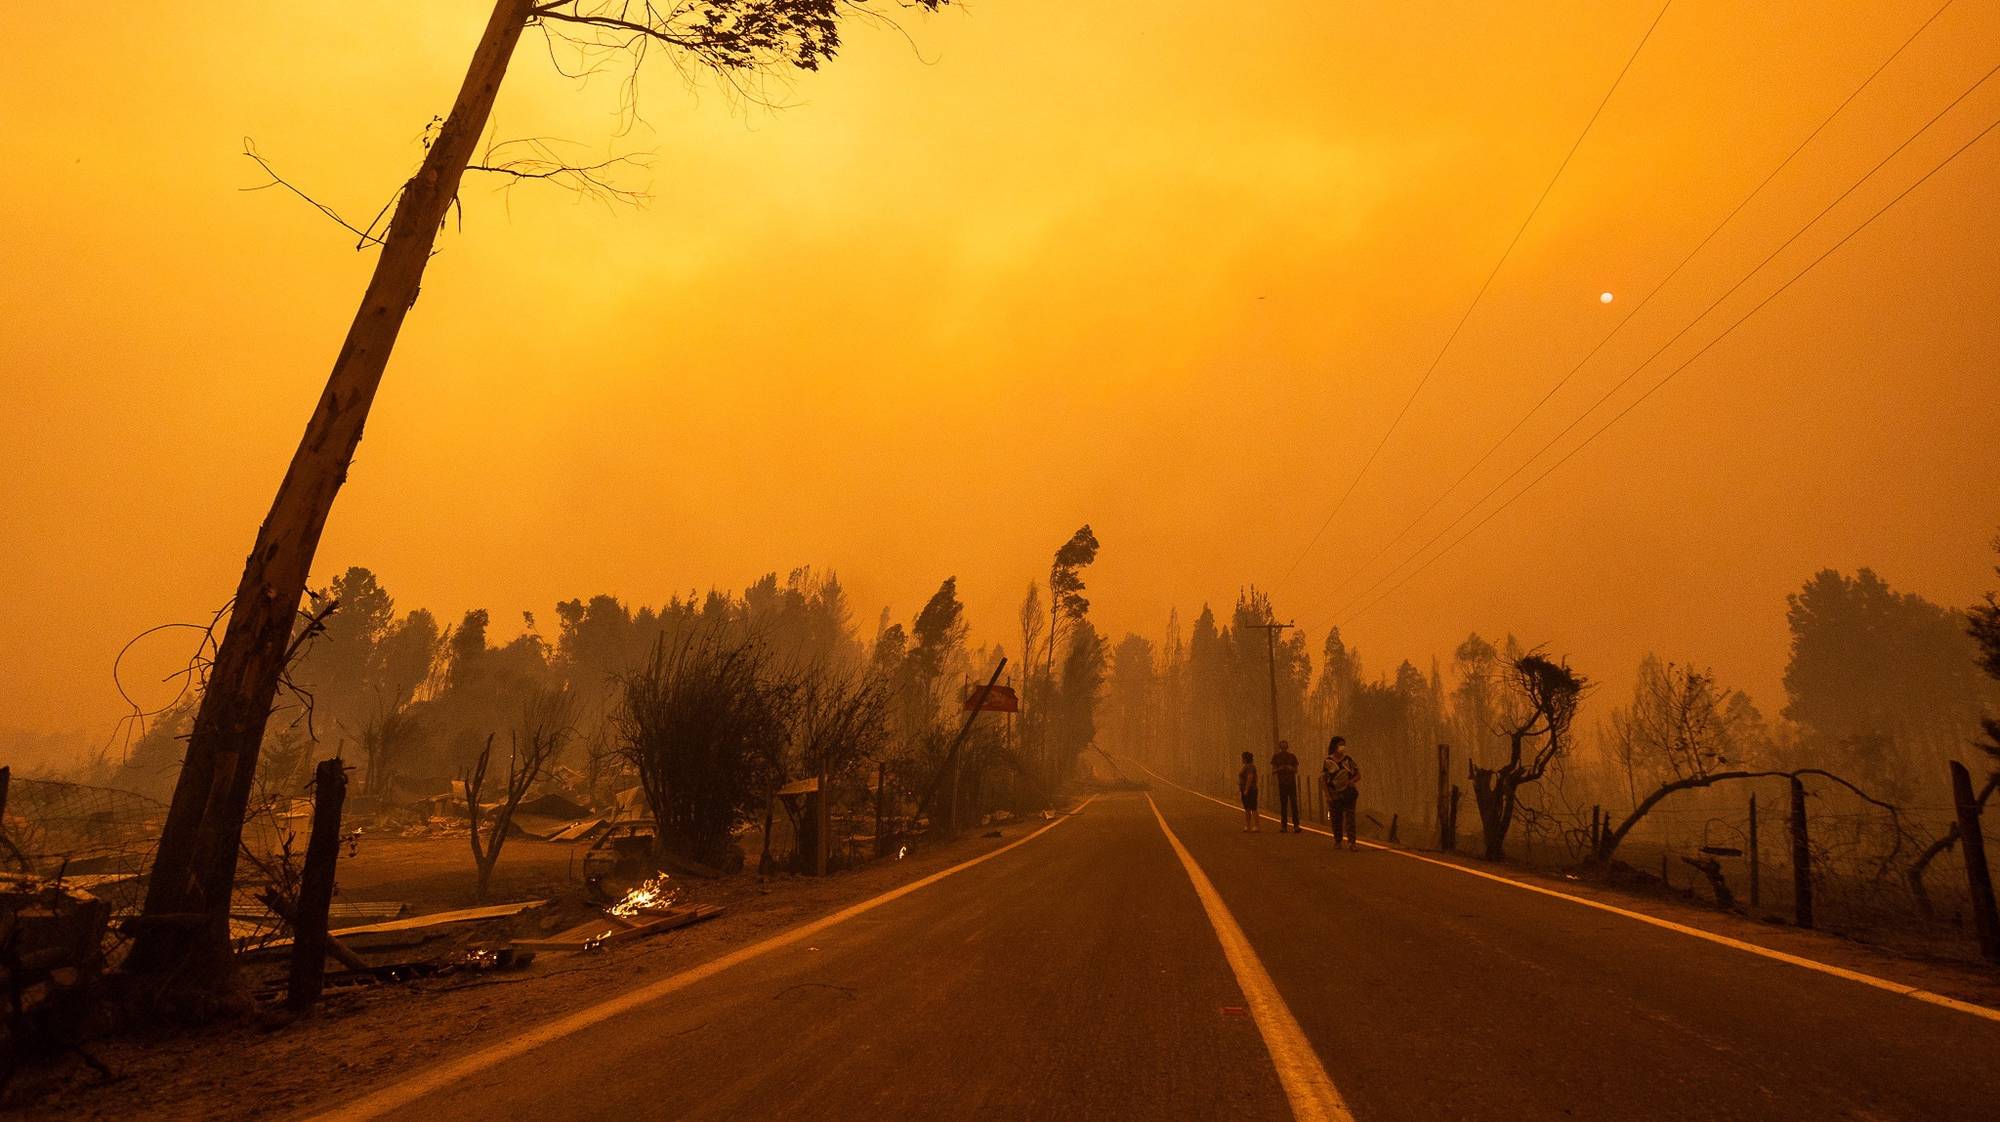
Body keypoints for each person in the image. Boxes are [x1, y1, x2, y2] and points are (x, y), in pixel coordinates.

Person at [1323, 736, 1361, 849]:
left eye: (1343, 745)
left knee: (1350, 818)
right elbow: (1324, 780)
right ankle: (1338, 841)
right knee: (1336, 818)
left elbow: (1358, 774)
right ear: (1334, 746)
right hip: (1334, 794)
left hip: (1348, 793)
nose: (1342, 747)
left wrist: (1352, 781)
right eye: (1340, 745)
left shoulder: (1348, 760)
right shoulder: (1328, 761)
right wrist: (1327, 795)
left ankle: (1352, 842)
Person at [1272, 739, 1301, 833]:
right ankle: (1284, 826)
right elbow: (1273, 770)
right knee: (1284, 805)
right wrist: (1280, 768)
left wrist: (1290, 768)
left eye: (1285, 745)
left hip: (1291, 783)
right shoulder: (1276, 757)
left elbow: (1296, 770)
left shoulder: (1292, 756)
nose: (1284, 747)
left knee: (1294, 804)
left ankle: (1296, 825)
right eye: (1282, 745)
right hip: (1282, 783)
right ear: (1280, 747)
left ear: (1287, 746)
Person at [1237, 751, 1260, 832]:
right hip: (1246, 789)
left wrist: (1246, 789)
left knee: (1253, 808)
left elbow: (1250, 777)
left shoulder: (1249, 767)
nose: (1242, 759)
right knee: (1247, 808)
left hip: (1250, 790)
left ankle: (1256, 826)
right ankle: (1247, 825)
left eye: (1243, 758)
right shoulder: (1246, 766)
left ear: (1246, 759)